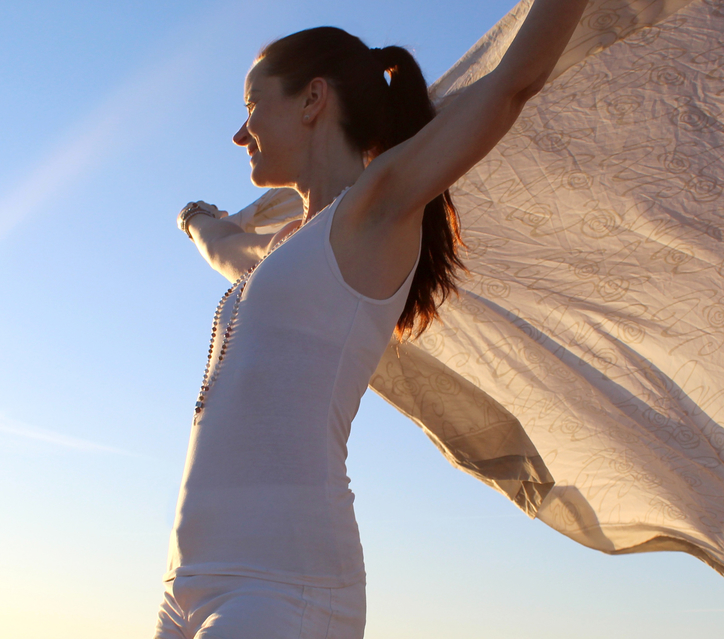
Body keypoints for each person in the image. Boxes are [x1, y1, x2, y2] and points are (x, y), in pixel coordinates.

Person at [155, 1, 589, 637]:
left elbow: (511, 84)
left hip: (285, 585)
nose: (240, 134)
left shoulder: (375, 209)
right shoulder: (284, 248)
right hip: (187, 582)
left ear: (312, 99)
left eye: (252, 106)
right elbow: (224, 248)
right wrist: (195, 216)